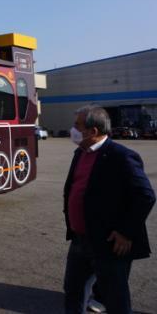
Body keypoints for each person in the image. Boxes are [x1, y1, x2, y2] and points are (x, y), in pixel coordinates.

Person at [63, 105, 155, 313]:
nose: (72, 129)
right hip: (79, 239)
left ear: (93, 131)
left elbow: (145, 196)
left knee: (115, 299)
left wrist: (126, 232)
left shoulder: (121, 156)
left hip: (108, 243)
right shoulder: (80, 152)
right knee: (73, 291)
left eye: (77, 125)